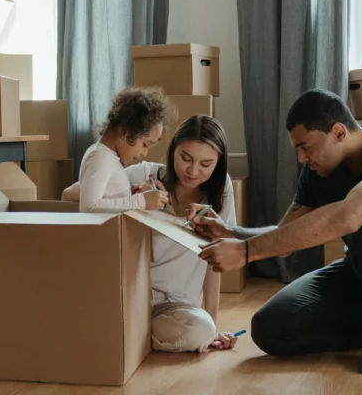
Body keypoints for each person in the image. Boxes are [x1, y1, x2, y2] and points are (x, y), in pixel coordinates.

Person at [196, 89, 362, 375]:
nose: (301, 158)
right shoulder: (317, 171)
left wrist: (246, 253)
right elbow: (285, 235)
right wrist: (233, 233)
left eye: (306, 146)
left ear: (338, 132)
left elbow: (352, 214)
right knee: (270, 328)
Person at [64, 115, 240, 353]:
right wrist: (133, 197)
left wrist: (213, 324)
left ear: (218, 164)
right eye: (185, 158)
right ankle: (126, 333)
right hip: (130, 297)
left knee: (202, 331)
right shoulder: (145, 175)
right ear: (172, 150)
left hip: (175, 307)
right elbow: (70, 194)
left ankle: (123, 335)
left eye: (206, 164)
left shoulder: (221, 192)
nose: (193, 170)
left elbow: (215, 260)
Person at [77, 87, 171, 213]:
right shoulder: (100, 157)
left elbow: (107, 201)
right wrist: (140, 201)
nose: (145, 153)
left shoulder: (109, 157)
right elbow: (88, 207)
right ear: (124, 132)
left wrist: (130, 196)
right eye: (144, 144)